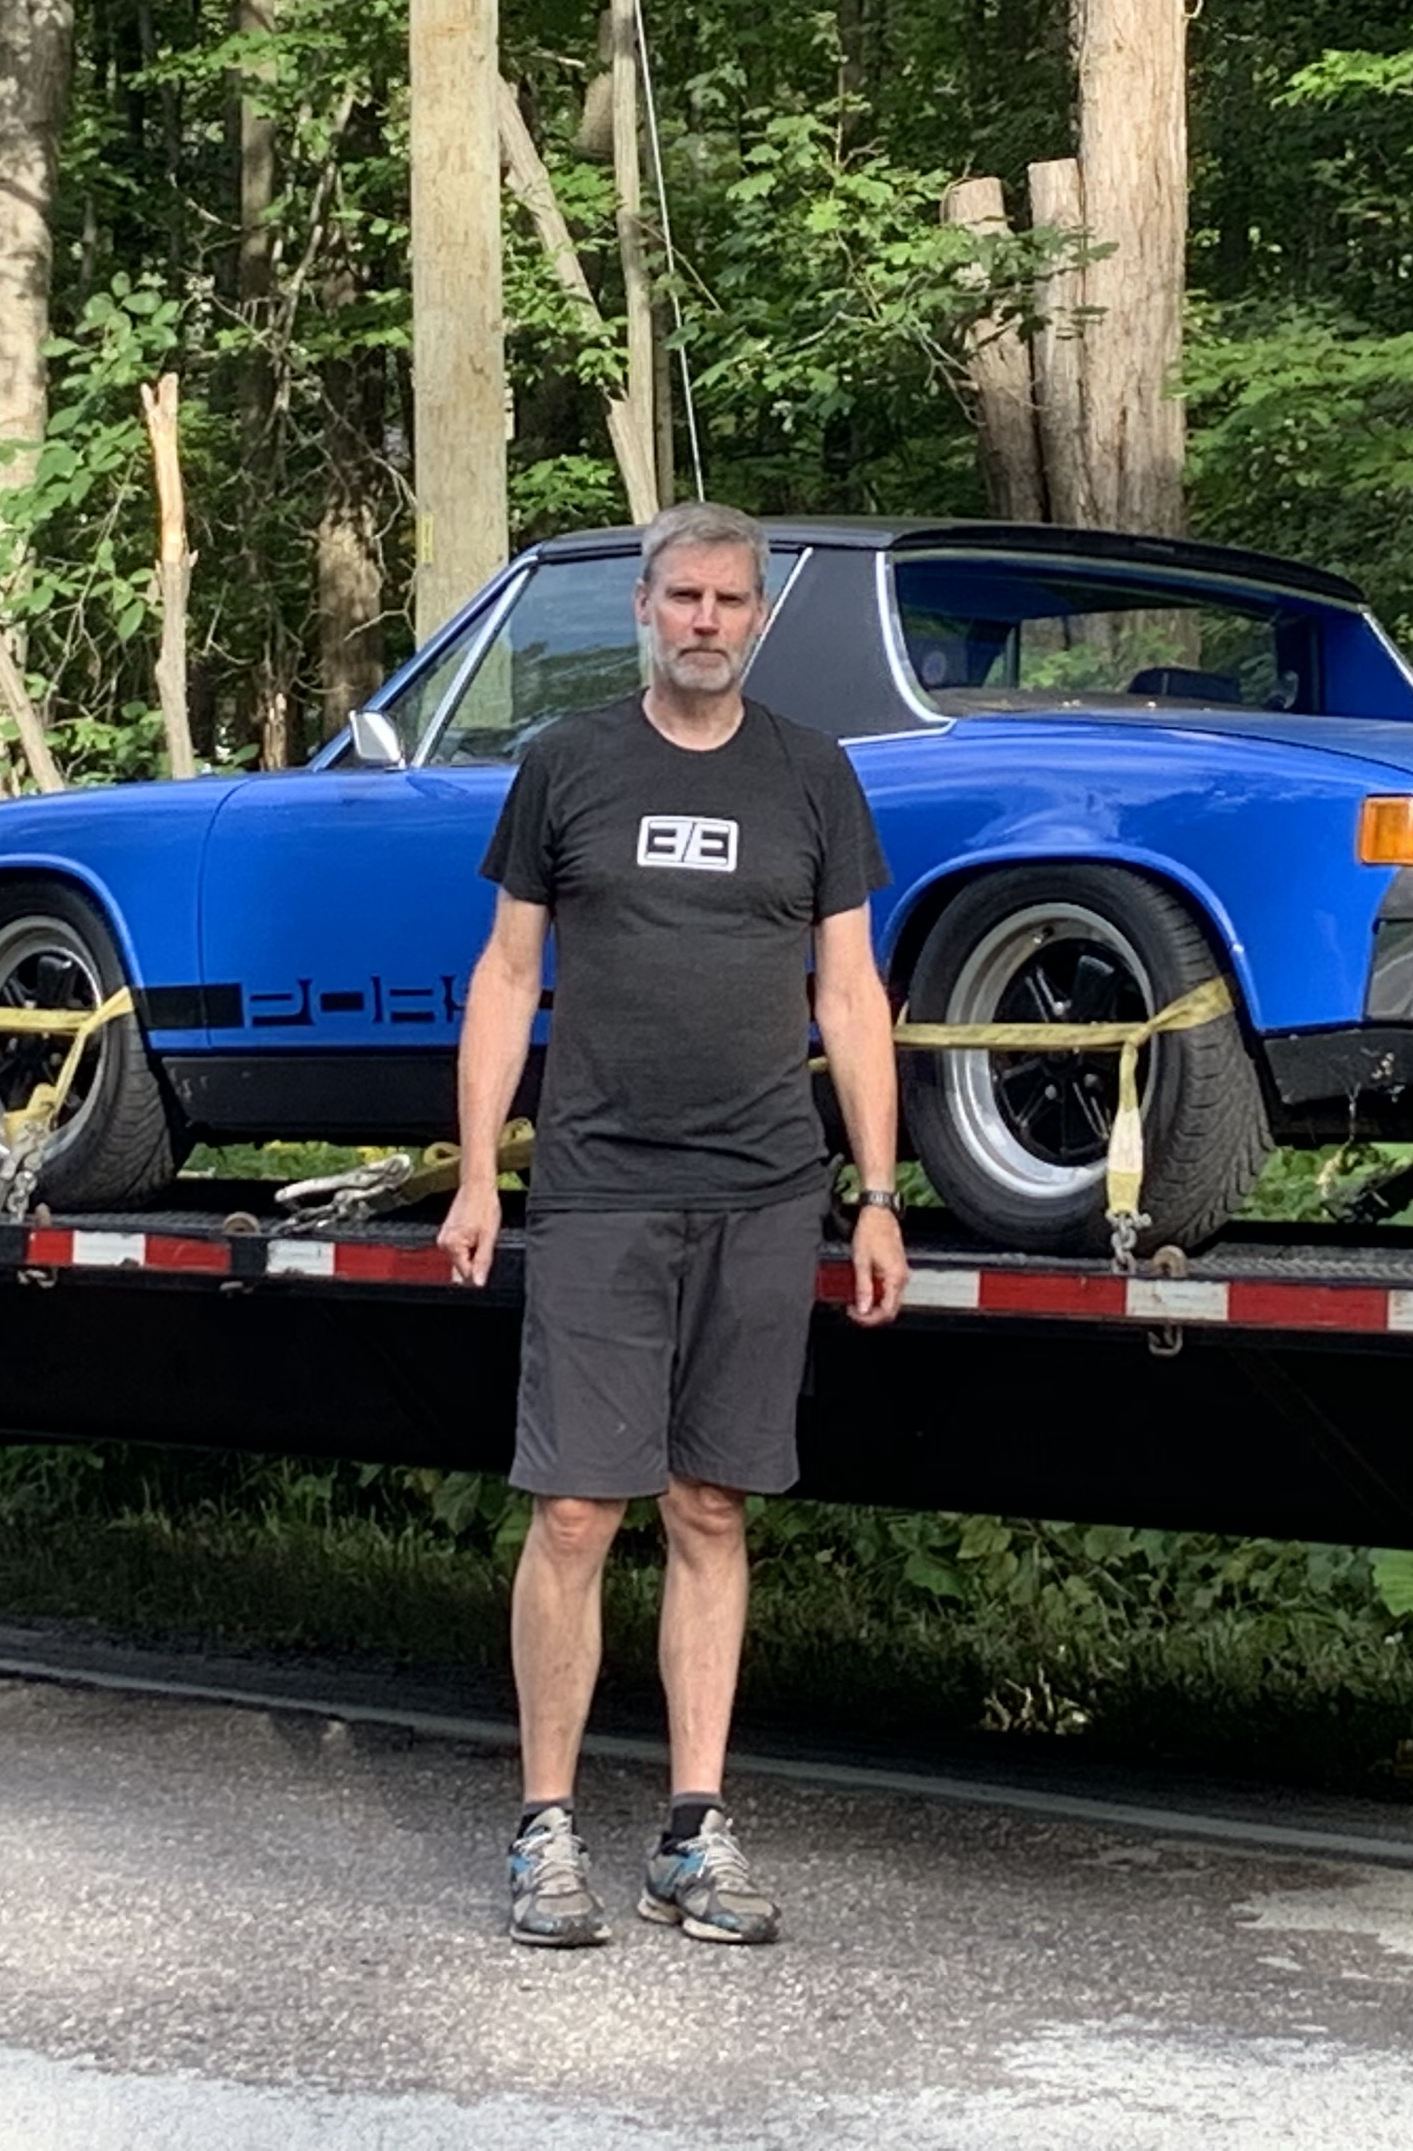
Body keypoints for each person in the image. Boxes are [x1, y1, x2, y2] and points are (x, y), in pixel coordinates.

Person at [437, 503, 910, 1948]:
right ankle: (544, 1831)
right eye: (684, 597)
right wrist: (476, 1173)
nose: (706, 620)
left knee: (710, 1504)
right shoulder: (568, 763)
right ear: (642, 608)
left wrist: (878, 1195)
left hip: (764, 1188)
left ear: (758, 617)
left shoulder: (811, 773)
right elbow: (507, 975)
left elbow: (851, 995)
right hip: (599, 1186)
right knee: (577, 1508)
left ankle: (692, 1835)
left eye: (730, 600)